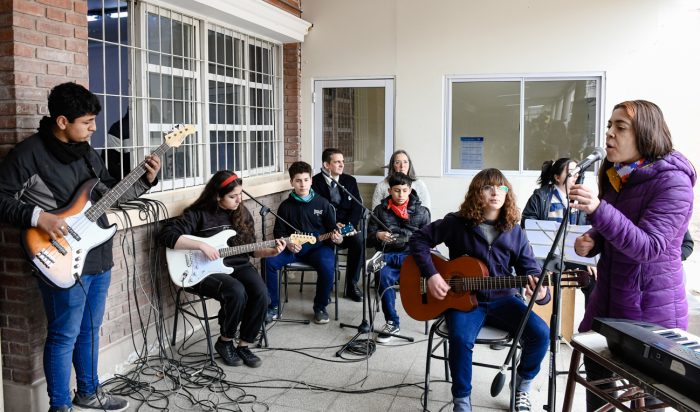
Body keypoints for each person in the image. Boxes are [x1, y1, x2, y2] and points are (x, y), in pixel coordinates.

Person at [0, 82, 161, 412]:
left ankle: (88, 391)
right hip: (59, 257)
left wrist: (145, 180)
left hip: (98, 254)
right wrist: (36, 217)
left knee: (89, 329)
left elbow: (110, 195)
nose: (94, 128)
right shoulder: (28, 155)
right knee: (63, 336)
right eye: (87, 122)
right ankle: (60, 407)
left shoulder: (87, 152)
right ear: (62, 121)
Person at [570, 100, 696, 411]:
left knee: (649, 398)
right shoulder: (618, 175)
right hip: (609, 301)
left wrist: (598, 210)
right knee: (596, 377)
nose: (609, 134)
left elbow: (650, 247)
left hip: (651, 313)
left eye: (620, 127)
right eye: (609, 127)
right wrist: (594, 240)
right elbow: (622, 224)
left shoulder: (675, 183)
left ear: (646, 134)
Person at [410, 168, 551, 412]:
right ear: (478, 192)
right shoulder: (456, 223)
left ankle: (521, 386)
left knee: (540, 333)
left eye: (502, 188)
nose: (496, 192)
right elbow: (418, 240)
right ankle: (462, 400)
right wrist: (431, 275)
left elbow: (532, 271)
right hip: (462, 300)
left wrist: (541, 293)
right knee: (461, 338)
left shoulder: (514, 231)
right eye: (489, 187)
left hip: (503, 300)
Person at [158, 170, 284, 368]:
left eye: (240, 194)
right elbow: (166, 235)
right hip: (204, 271)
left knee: (261, 293)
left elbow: (252, 251)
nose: (238, 200)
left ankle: (244, 345)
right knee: (236, 291)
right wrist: (200, 245)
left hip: (238, 265)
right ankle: (225, 342)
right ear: (218, 196)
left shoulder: (242, 214)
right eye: (232, 196)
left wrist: (272, 252)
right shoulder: (198, 214)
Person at [265, 161, 343, 324]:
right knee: (268, 262)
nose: (302, 184)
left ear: (311, 181)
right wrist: (288, 243)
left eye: (306, 180)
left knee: (328, 265)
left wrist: (338, 238)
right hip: (292, 250)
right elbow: (278, 232)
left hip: (319, 248)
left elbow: (333, 230)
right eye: (298, 180)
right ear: (291, 182)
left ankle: (320, 307)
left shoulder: (323, 203)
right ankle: (272, 306)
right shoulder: (285, 206)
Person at [521, 157, 596, 305]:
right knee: (533, 277)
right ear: (557, 177)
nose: (575, 176)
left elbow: (592, 228)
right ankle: (539, 305)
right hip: (545, 256)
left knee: (594, 278)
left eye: (577, 173)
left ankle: (591, 324)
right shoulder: (540, 196)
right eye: (571, 173)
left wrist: (590, 259)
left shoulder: (582, 198)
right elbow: (526, 225)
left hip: (574, 254)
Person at [367, 172, 430, 343]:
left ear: (410, 190)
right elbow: (368, 237)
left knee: (387, 261)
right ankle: (392, 322)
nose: (400, 195)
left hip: (412, 257)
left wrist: (406, 239)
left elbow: (428, 240)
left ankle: (386, 260)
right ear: (389, 190)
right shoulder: (379, 211)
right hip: (388, 254)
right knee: (382, 274)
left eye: (404, 190)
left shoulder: (422, 212)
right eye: (396, 191)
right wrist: (378, 235)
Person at [311, 148, 364, 302]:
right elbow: (315, 211)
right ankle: (325, 290)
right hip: (325, 231)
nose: (342, 165)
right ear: (326, 164)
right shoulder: (314, 183)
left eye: (342, 161)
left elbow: (357, 207)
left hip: (346, 229)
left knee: (358, 241)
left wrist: (350, 225)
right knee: (326, 250)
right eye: (337, 162)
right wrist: (333, 226)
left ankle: (351, 286)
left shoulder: (349, 181)